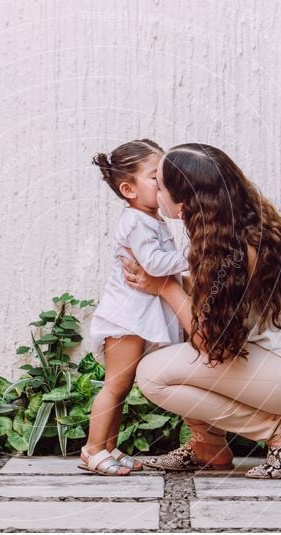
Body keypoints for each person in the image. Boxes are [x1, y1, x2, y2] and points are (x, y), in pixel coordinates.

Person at [118, 143, 281, 479]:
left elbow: (209, 343)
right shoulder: (237, 229)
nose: (154, 189)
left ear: (183, 202)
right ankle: (208, 447)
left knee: (153, 375)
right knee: (176, 354)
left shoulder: (232, 253)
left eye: (160, 182)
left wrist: (165, 286)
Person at [79, 139, 192, 476]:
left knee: (123, 386)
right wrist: (194, 255)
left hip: (138, 317)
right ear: (128, 189)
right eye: (156, 178)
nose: (165, 185)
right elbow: (154, 264)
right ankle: (93, 449)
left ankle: (109, 447)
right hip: (126, 318)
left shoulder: (152, 220)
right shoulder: (136, 221)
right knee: (115, 384)